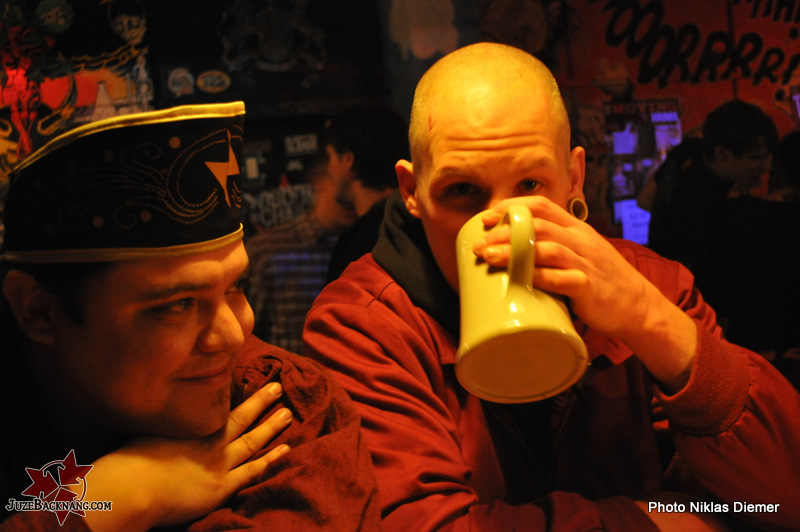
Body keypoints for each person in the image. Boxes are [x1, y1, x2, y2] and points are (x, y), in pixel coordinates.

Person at [303, 43, 800, 531]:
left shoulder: (652, 284)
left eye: (530, 185)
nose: (501, 226)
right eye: (462, 190)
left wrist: (648, 318)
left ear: (574, 178)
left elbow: (776, 503)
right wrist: (650, 521)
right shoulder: (363, 323)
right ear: (412, 192)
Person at [0, 102, 379, 531]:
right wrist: (107, 500)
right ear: (38, 311)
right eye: (177, 305)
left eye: (237, 286)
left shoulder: (286, 403)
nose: (234, 335)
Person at [646, 100, 778, 270]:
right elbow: (686, 271)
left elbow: (644, 200)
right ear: (721, 153)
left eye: (769, 156)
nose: (767, 167)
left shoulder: (688, 150)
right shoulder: (698, 202)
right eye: (756, 157)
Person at [245, 154, 356, 353]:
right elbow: (248, 336)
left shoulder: (365, 245)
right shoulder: (269, 249)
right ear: (320, 181)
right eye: (344, 183)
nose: (350, 194)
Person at [323, 101, 409, 282]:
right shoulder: (417, 223)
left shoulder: (360, 244)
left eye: (330, 157)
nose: (329, 169)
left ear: (348, 159)